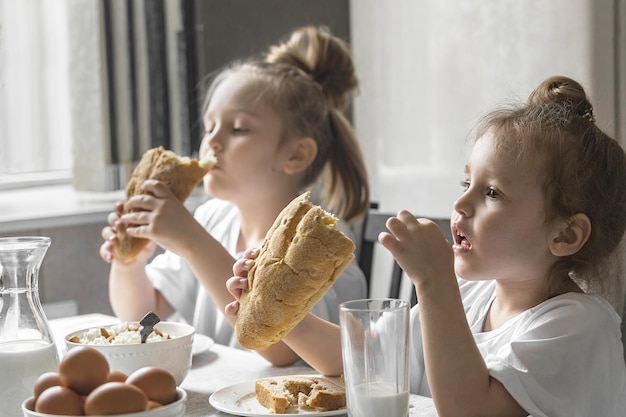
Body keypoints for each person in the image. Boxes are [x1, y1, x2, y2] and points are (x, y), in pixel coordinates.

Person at [226, 75, 626, 416]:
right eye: (465, 184)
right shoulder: (472, 296)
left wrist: (434, 282)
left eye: (491, 192)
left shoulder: (577, 325)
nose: (460, 204)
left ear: (565, 235)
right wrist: (279, 309)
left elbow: (469, 410)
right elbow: (361, 360)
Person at [99, 25, 370, 366]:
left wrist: (191, 241)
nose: (212, 141)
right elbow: (145, 317)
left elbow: (279, 350)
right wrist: (130, 264)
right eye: (209, 125)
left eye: (238, 128)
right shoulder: (212, 218)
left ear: (295, 155)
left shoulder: (320, 243)